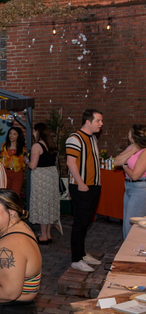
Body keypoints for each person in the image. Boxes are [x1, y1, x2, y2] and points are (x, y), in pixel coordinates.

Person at [66, 109, 104, 272]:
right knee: (80, 222)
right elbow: (70, 163)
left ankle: (81, 254)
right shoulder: (75, 138)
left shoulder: (93, 138)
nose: (101, 124)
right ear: (88, 122)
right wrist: (81, 183)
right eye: (98, 121)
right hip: (80, 186)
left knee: (87, 220)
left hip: (93, 186)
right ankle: (76, 259)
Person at [27, 123, 60, 244]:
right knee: (49, 205)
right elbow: (54, 162)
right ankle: (48, 234)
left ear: (38, 132)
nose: (33, 133)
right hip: (51, 176)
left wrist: (26, 160)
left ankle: (43, 236)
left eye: (34, 131)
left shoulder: (37, 146)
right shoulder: (52, 145)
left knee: (42, 205)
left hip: (41, 178)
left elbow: (33, 165)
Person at [113, 124, 146, 239]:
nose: (128, 134)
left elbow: (135, 175)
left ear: (135, 136)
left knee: (132, 225)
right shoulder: (131, 147)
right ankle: (128, 248)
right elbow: (116, 162)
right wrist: (133, 151)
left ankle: (132, 249)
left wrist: (125, 166)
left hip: (140, 189)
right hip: (129, 187)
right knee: (127, 223)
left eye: (129, 132)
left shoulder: (145, 152)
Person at [0, 127, 27, 195]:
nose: (11, 136)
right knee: (6, 194)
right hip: (6, 172)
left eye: (14, 134)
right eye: (10, 133)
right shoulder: (4, 145)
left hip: (17, 173)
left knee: (15, 194)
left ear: (18, 136)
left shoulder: (23, 147)